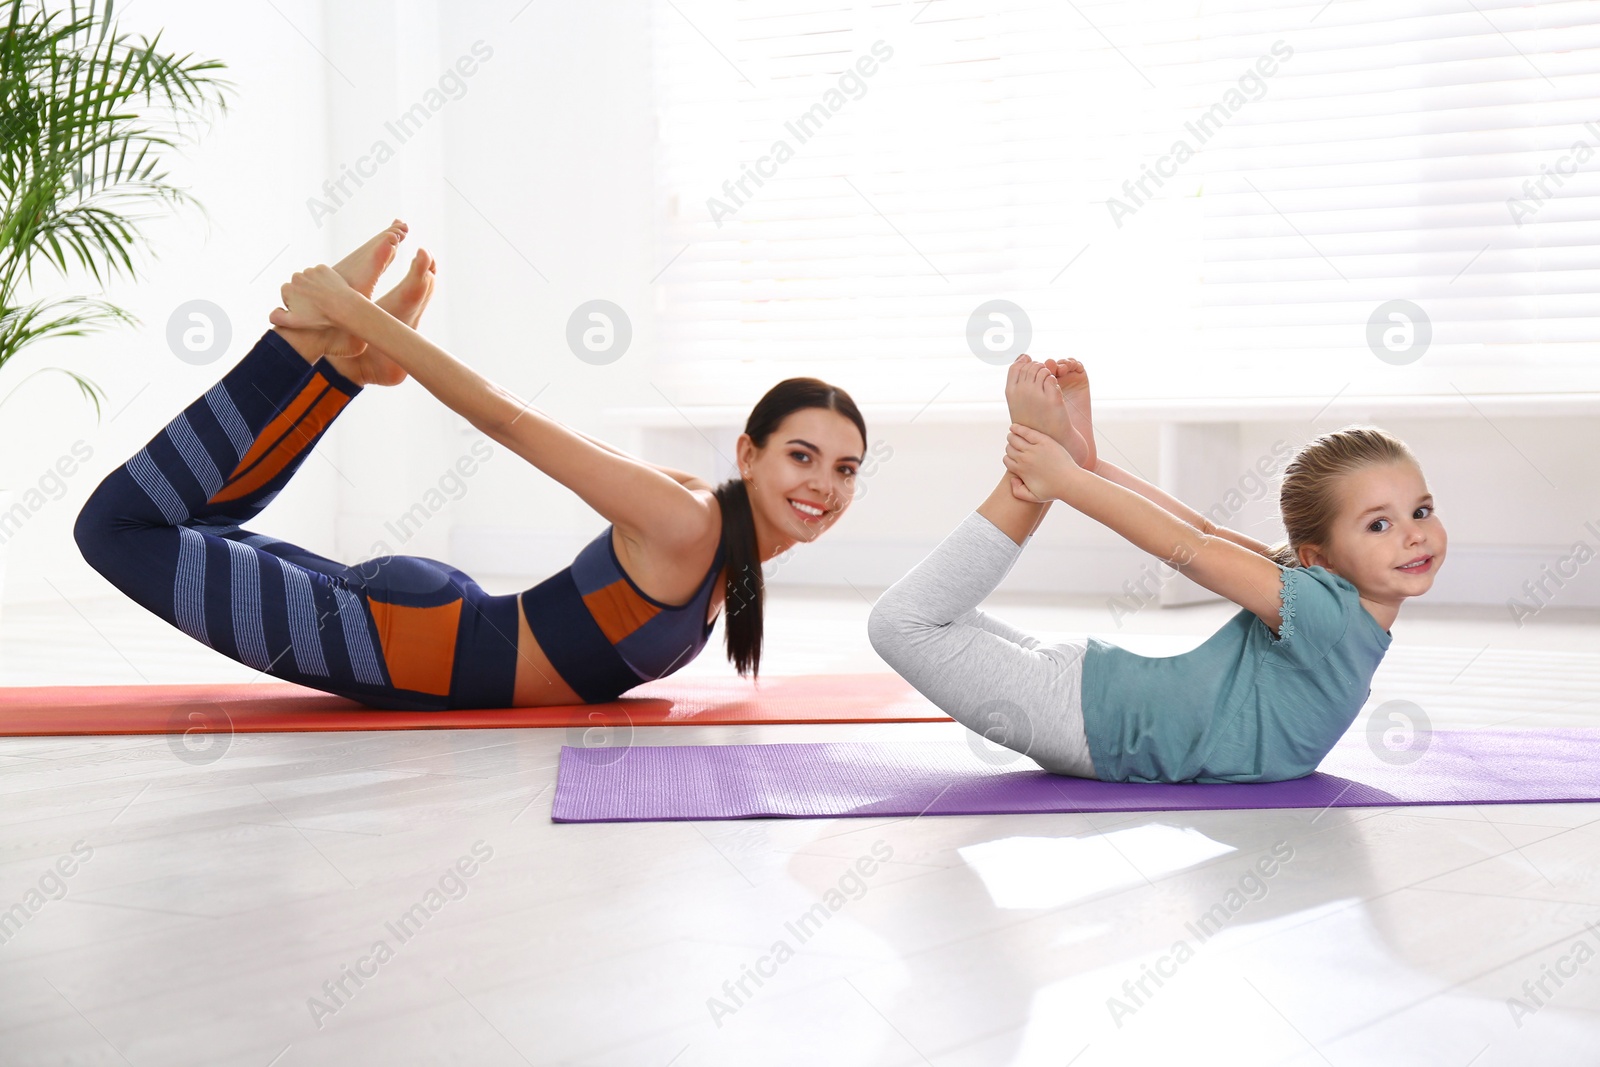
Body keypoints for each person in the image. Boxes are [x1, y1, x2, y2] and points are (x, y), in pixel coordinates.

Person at [74, 221, 869, 710]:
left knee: (193, 523)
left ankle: (347, 370)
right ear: (749, 455)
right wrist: (352, 314)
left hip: (421, 635)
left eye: (844, 468)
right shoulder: (689, 521)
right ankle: (312, 346)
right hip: (393, 645)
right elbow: (510, 420)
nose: (823, 486)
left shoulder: (716, 526)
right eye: (803, 456)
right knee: (114, 528)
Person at [867, 355, 1445, 783]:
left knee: (931, 618)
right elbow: (1195, 542)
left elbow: (1205, 535)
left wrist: (1084, 471)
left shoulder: (1322, 604)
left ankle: (1050, 460)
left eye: (1420, 511)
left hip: (1091, 703)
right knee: (902, 623)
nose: (1414, 532)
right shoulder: (1326, 611)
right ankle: (1033, 472)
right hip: (1093, 720)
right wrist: (1072, 479)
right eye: (1380, 523)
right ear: (1319, 558)